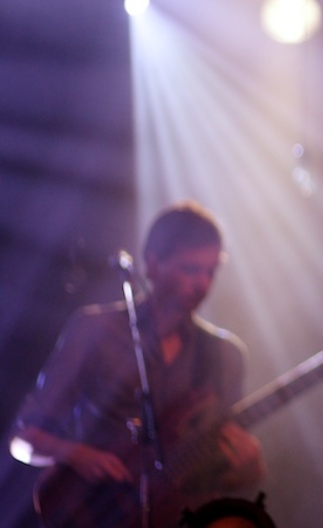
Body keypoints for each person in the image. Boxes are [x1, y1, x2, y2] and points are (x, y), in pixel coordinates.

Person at [9, 201, 265, 528]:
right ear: (153, 265)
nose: (202, 283)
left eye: (210, 271)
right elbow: (24, 438)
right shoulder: (94, 330)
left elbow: (224, 476)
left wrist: (250, 468)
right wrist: (77, 455)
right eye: (189, 269)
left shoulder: (225, 355)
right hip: (92, 514)